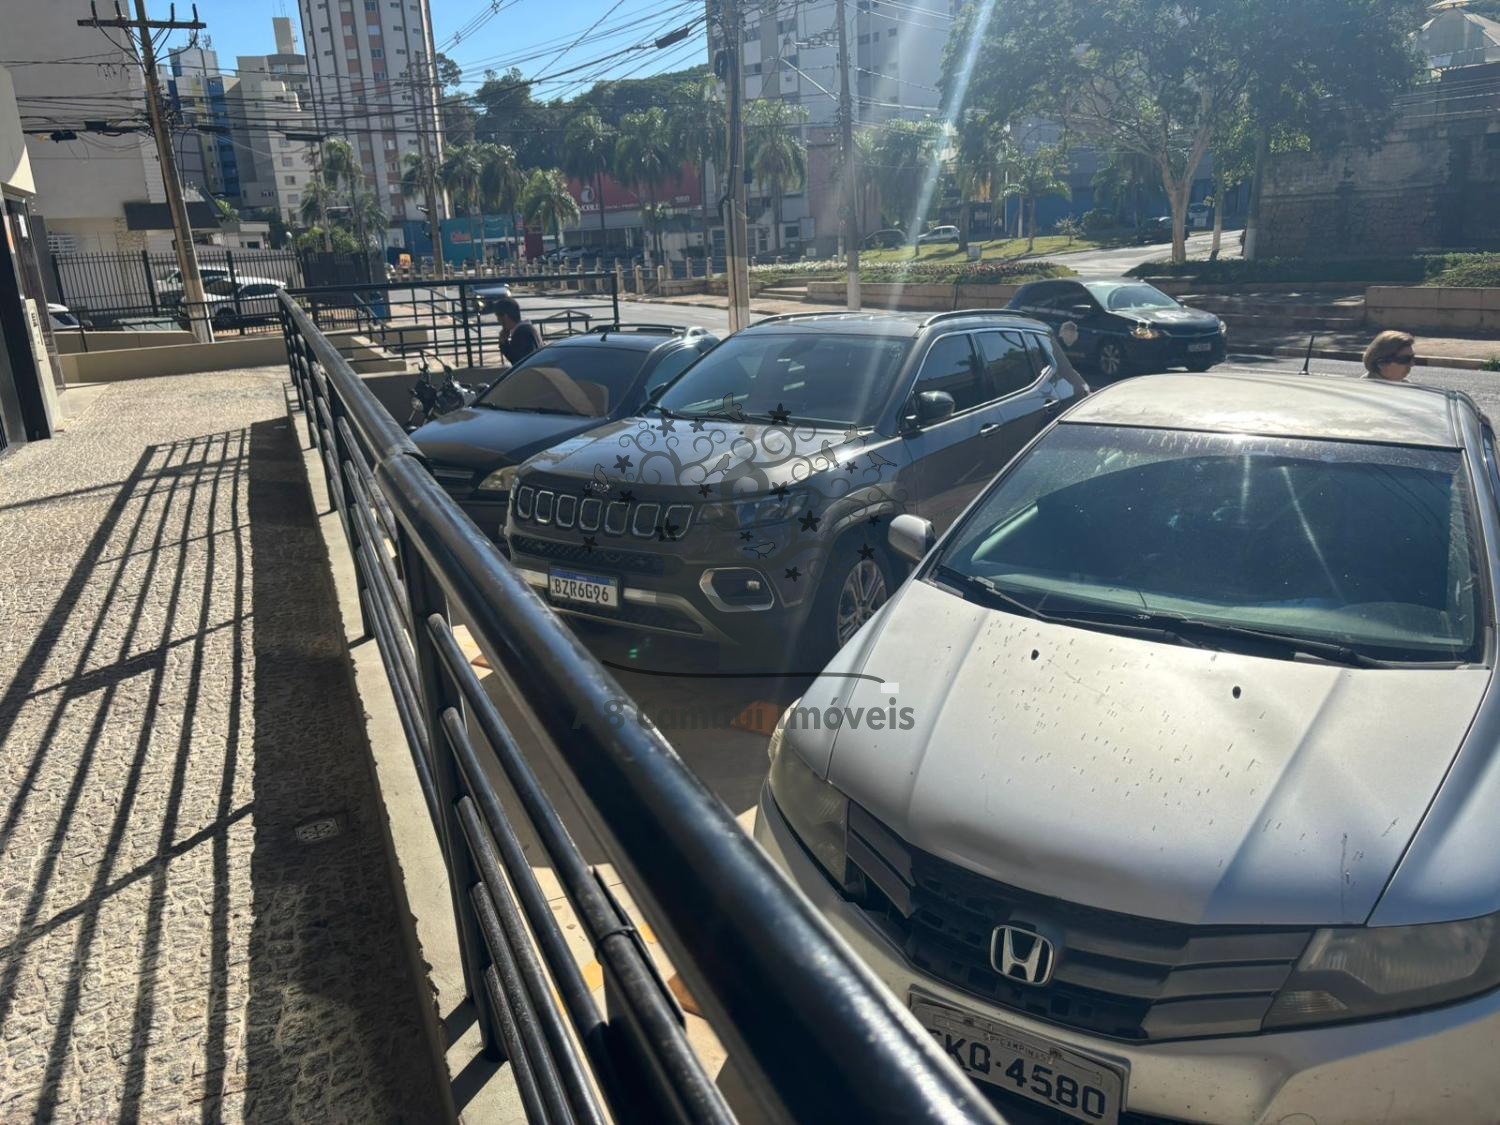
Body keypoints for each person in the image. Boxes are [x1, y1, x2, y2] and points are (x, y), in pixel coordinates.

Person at [495, 296, 542, 365]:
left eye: (498, 317)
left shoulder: (520, 334)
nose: (498, 321)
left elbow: (518, 363)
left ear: (505, 317)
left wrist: (504, 345)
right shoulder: (528, 329)